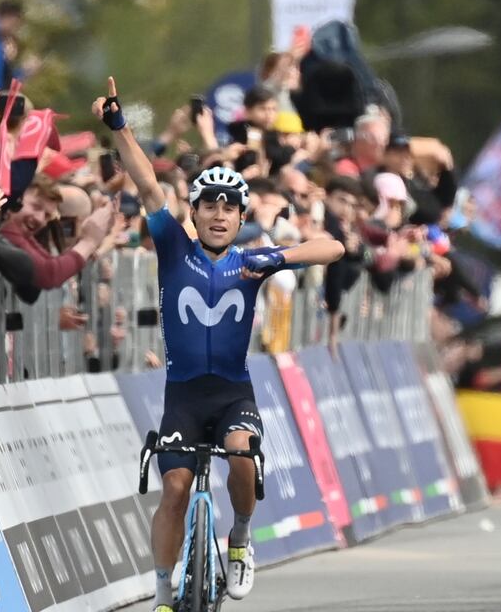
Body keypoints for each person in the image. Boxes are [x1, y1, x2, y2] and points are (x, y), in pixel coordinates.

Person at [96, 77, 343, 612]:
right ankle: (163, 592)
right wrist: (119, 127)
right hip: (183, 393)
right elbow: (145, 182)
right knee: (176, 489)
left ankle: (241, 538)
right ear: (195, 211)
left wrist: (280, 258)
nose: (217, 214)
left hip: (233, 393)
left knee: (241, 458)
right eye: (208, 205)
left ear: (239, 216)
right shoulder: (172, 246)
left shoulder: (251, 261)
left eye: (228, 208)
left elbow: (335, 246)